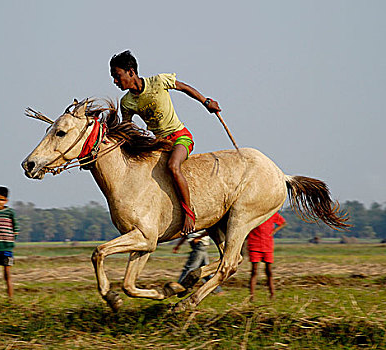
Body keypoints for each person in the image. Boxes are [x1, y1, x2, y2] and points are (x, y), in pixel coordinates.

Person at [110, 50, 221, 234]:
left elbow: (184, 88)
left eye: (117, 76)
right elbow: (127, 128)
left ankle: (189, 214)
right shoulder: (127, 102)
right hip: (159, 145)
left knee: (173, 166)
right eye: (113, 77)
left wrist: (206, 101)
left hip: (180, 138)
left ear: (131, 72)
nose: (115, 81)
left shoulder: (158, 81)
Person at [247, 212, 286, 301]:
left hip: (267, 244)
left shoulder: (272, 213)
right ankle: (252, 296)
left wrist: (274, 231)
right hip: (254, 243)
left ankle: (272, 294)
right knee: (254, 271)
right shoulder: (253, 213)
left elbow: (283, 222)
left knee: (269, 271)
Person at [173, 230, 223, 294]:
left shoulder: (202, 222)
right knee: (205, 271)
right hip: (198, 246)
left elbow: (208, 231)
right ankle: (217, 290)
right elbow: (186, 235)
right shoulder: (191, 224)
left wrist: (198, 238)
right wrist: (178, 245)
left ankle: (179, 288)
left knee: (189, 269)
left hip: (199, 245)